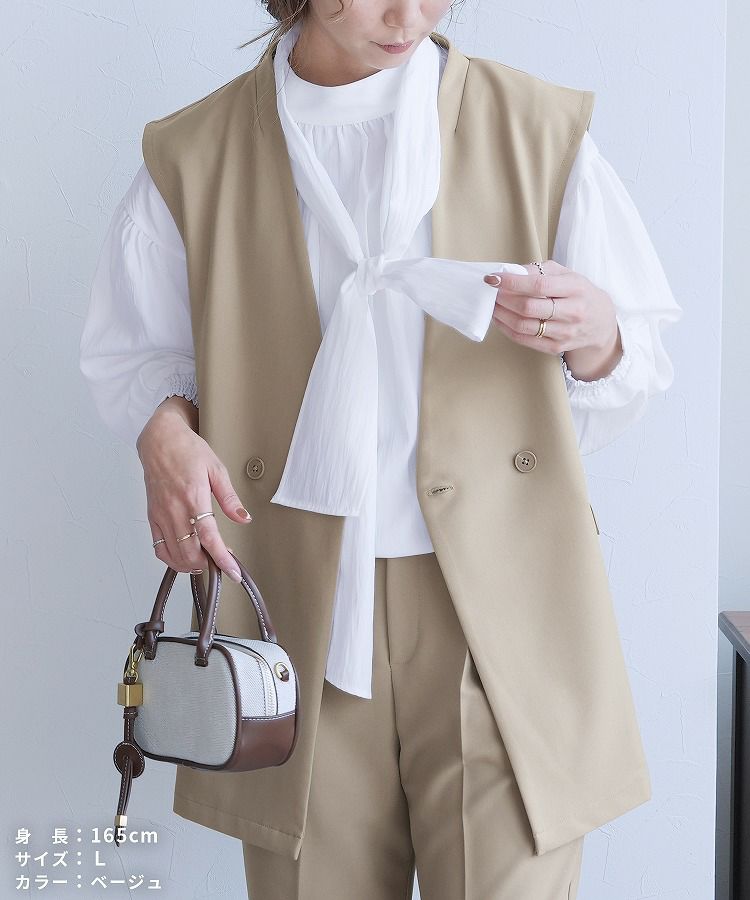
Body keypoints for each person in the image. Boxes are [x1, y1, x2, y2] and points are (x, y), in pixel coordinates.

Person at [80, 1, 682, 897]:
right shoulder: (196, 153)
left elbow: (633, 362)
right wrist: (165, 436)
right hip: (291, 606)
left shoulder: (535, 128)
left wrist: (595, 333)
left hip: (500, 609)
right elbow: (138, 357)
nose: (408, 14)